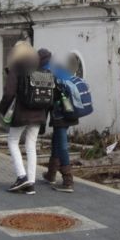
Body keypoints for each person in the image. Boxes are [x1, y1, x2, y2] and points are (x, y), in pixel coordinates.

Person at [0, 40, 48, 195]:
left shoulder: (17, 67)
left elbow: (9, 93)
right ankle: (31, 183)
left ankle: (21, 177)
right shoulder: (39, 66)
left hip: (22, 112)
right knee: (31, 145)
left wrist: (2, 109)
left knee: (13, 141)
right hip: (39, 111)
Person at [39, 49, 77, 192]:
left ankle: (68, 180)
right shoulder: (60, 69)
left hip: (60, 113)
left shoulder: (45, 73)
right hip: (70, 110)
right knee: (57, 140)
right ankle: (51, 174)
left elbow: (45, 99)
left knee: (61, 145)